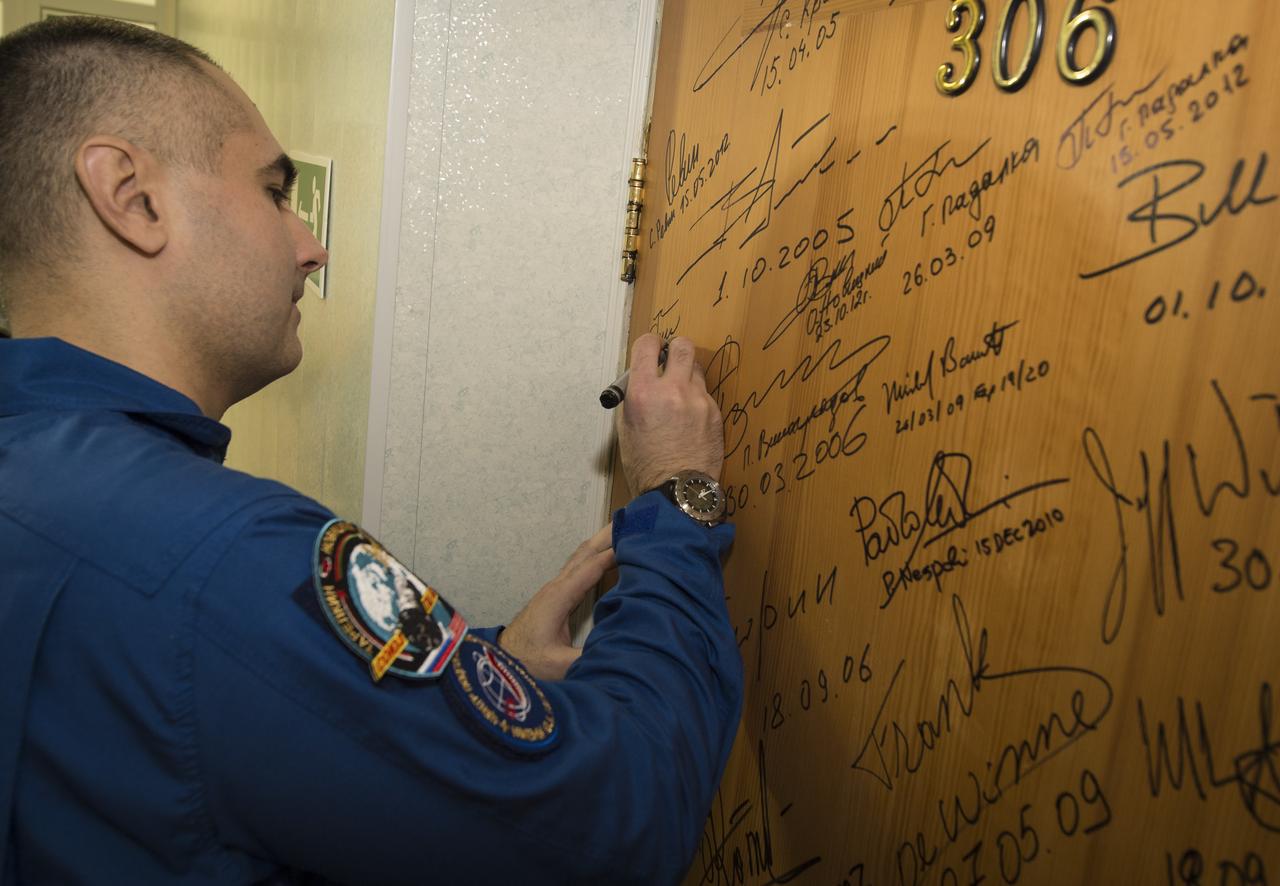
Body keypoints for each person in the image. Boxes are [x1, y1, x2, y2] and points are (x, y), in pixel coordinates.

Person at [0, 15, 741, 885]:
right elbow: (622, 820)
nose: (311, 247)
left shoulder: (43, 476)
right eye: (274, 192)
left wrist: (483, 679)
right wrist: (678, 496)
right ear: (132, 197)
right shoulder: (218, 561)